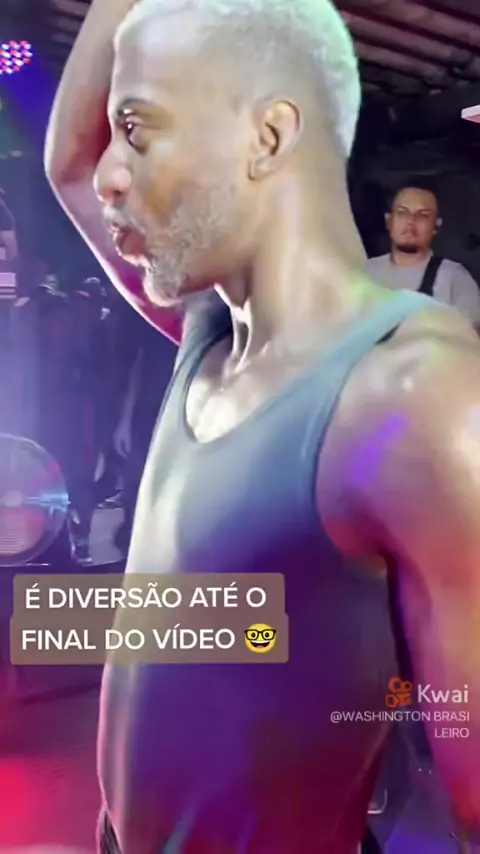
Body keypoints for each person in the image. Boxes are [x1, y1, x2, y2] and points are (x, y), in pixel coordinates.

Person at [45, 0, 480, 852]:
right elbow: (70, 163)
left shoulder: (412, 392)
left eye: (138, 129)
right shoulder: (209, 336)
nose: (109, 175)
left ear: (268, 137)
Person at [367, 181, 480, 327]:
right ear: (389, 221)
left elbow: (471, 336)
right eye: (402, 213)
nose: (411, 221)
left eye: (423, 215)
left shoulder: (454, 278)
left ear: (436, 226)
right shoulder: (365, 271)